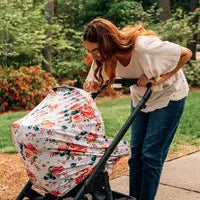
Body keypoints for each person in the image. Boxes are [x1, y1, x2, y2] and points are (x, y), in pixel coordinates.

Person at [82, 18, 192, 200]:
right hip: (142, 98)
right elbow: (93, 81)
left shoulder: (144, 47)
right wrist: (92, 84)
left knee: (150, 156)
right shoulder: (104, 57)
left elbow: (186, 53)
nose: (93, 55)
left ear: (107, 42)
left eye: (95, 50)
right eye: (89, 51)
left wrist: (161, 78)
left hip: (169, 97)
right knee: (136, 156)